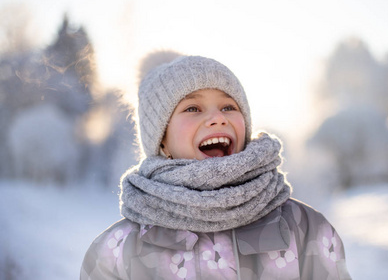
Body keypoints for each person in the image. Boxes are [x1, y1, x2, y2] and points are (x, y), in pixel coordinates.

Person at [80, 55, 352, 280]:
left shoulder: (305, 230)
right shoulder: (118, 251)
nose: (217, 118)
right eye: (192, 108)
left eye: (228, 106)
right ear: (161, 139)